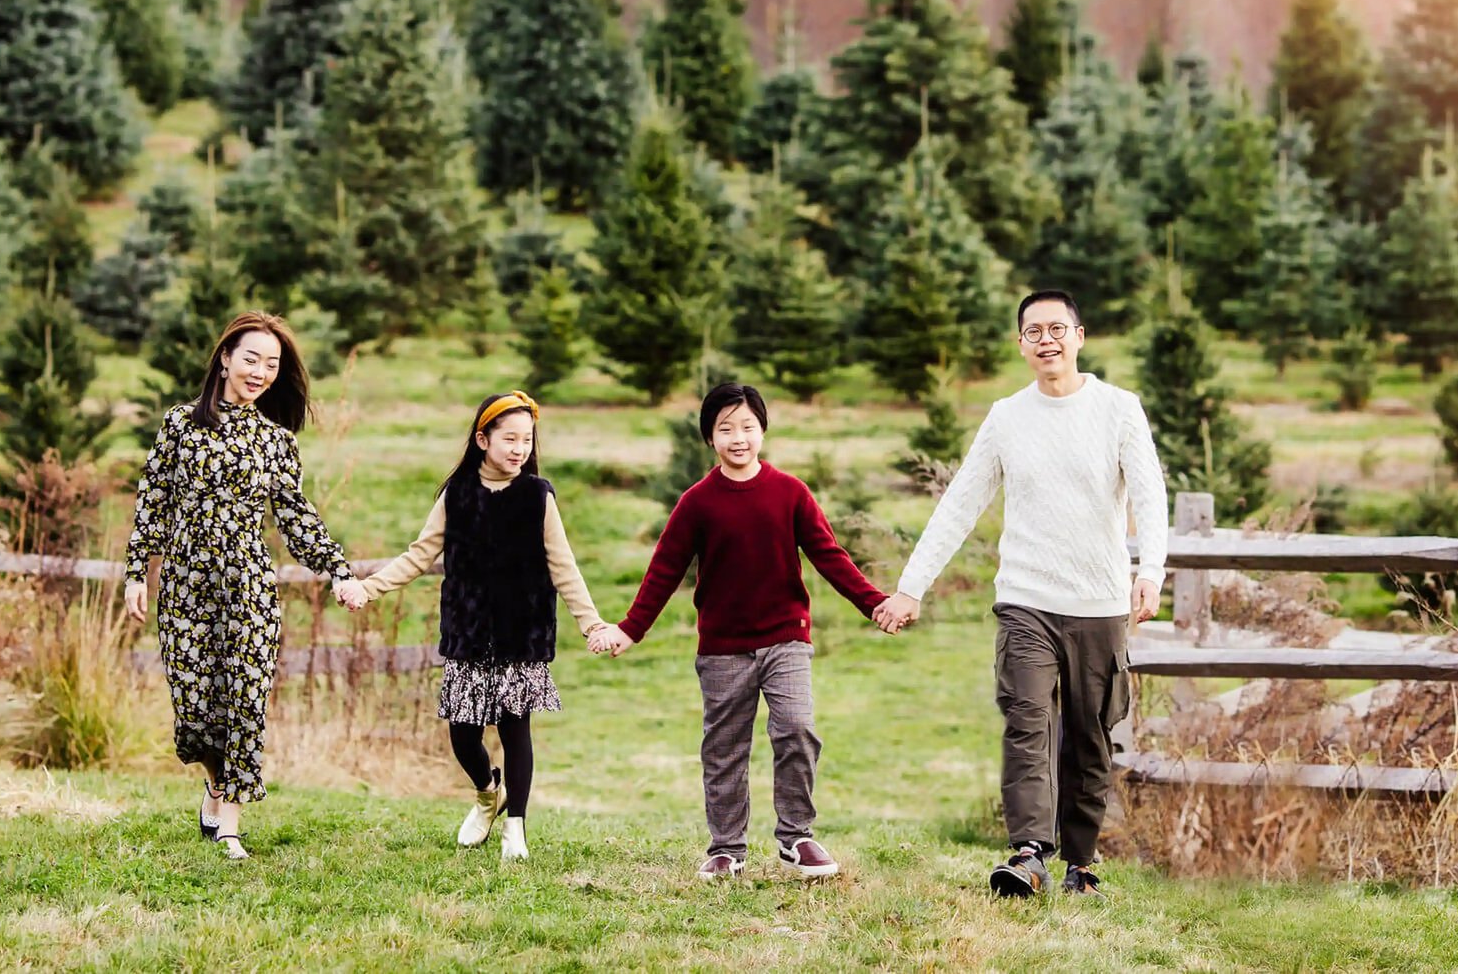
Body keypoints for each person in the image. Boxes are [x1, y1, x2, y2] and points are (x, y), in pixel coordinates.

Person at [876, 289, 1167, 898]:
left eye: (1057, 328)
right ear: (1021, 345)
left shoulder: (1118, 409)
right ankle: (1029, 853)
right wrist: (911, 587)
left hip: (1098, 602)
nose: (1046, 340)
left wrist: (1150, 571)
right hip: (1026, 598)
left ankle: (1081, 864)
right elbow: (960, 503)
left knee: (1090, 735)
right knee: (1026, 721)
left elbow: (1148, 494)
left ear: (1080, 336)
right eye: (1033, 332)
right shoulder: (1008, 416)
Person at [593, 382, 888, 881]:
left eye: (747, 427)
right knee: (725, 746)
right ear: (710, 437)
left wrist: (874, 603)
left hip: (786, 637)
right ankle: (727, 847)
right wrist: (629, 630)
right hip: (724, 648)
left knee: (796, 728)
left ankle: (796, 838)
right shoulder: (697, 502)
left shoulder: (790, 492)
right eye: (726, 428)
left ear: (762, 431)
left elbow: (829, 557)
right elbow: (664, 571)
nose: (738, 438)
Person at [335, 391, 609, 862]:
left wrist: (592, 624)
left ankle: (516, 828)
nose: (519, 448)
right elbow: (420, 555)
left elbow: (564, 566)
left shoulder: (537, 496)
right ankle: (488, 793)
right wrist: (368, 587)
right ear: (483, 439)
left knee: (514, 726)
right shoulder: (456, 494)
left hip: (521, 633)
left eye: (526, 439)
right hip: (468, 631)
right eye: (509, 439)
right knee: (463, 733)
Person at [124, 311, 360, 859]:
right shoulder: (180, 424)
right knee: (195, 709)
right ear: (225, 358)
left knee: (245, 703)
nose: (260, 372)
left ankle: (229, 822)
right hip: (186, 586)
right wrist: (138, 571)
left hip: (249, 587)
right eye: (251, 359)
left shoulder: (276, 440)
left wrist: (338, 570)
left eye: (272, 365)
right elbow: (153, 499)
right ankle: (214, 783)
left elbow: (297, 517)